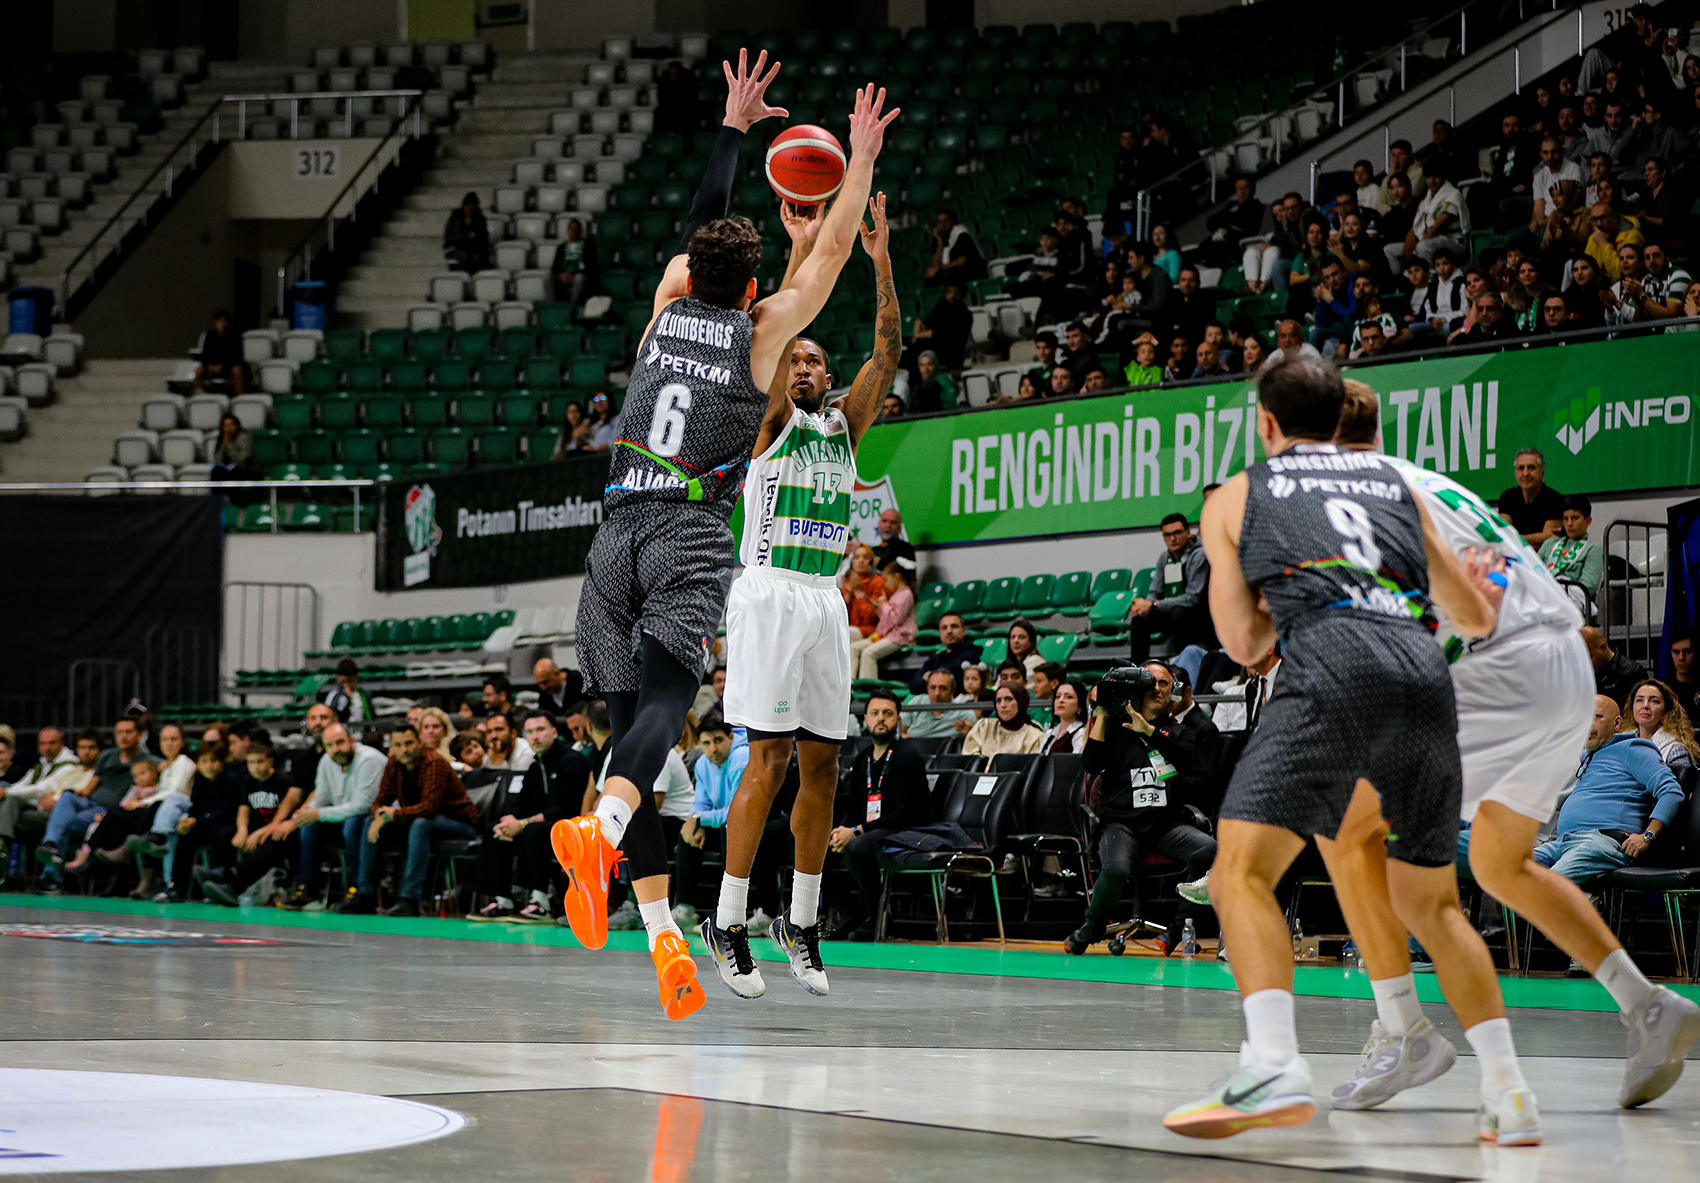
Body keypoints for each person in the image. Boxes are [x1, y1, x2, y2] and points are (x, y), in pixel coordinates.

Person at [550, 56, 896, 1021]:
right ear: (751, 289)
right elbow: (829, 261)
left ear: (689, 273)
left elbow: (703, 229)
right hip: (686, 532)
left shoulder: (662, 311)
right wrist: (858, 160)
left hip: (612, 534)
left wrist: (733, 130)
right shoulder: (758, 339)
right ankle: (601, 829)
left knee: (631, 732)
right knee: (667, 711)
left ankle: (663, 931)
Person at [1166, 358, 1526, 1142]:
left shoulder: (1237, 494)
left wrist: (1279, 610)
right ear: (1340, 421)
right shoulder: (1392, 482)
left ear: (1265, 422)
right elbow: (1474, 616)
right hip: (1424, 679)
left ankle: (1272, 1062)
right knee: (1434, 903)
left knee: (1238, 873)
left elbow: (1243, 642)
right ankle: (1510, 1091)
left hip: (1333, 668)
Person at [1328, 381, 1698, 1116]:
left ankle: (1403, 1030)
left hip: (1497, 670)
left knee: (1344, 826)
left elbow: (1444, 606)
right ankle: (1647, 1005)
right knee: (1501, 863)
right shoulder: (1439, 484)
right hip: (1563, 666)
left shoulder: (1359, 495)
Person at [711, 187, 902, 998]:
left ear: (828, 374)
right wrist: (797, 253)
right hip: (767, 594)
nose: (802, 366)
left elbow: (889, 348)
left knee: (823, 764)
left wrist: (880, 261)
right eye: (794, 359)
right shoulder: (769, 423)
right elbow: (779, 328)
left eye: (813, 360)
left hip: (824, 600)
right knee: (769, 758)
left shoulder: (843, 426)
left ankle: (802, 920)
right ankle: (726, 919)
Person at [1064, 665, 1217, 956]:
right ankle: (1091, 927)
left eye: (1164, 683)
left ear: (1172, 692)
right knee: (1116, 869)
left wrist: (1148, 731)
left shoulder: (1181, 732)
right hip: (1122, 825)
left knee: (1213, 851)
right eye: (1151, 682)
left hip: (1166, 826)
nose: (1157, 688)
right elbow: (1091, 764)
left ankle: (1178, 930)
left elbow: (1185, 760)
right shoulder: (1116, 729)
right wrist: (1101, 713)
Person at [1533, 696, 1685, 891]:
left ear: (1617, 723)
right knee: (1506, 869)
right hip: (1563, 842)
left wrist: (1647, 836)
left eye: (1596, 717)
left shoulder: (1633, 749)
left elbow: (1671, 792)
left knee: (1547, 887)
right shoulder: (1585, 756)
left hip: (1602, 842)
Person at [338, 724, 479, 917]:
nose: (404, 749)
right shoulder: (394, 762)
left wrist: (393, 814)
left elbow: (429, 807)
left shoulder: (434, 762)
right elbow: (381, 800)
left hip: (459, 824)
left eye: (409, 743)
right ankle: (366, 895)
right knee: (369, 822)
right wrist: (379, 815)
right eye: (398, 745)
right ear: (392, 747)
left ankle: (410, 899)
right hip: (419, 821)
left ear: (419, 742)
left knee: (421, 824)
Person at [828, 691, 932, 940]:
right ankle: (849, 911)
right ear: (865, 719)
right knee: (814, 846)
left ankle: (875, 915)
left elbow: (905, 812)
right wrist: (842, 830)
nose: (881, 719)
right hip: (871, 829)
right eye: (875, 713)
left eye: (887, 713)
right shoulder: (863, 758)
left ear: (898, 719)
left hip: (904, 829)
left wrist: (856, 831)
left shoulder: (907, 757)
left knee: (857, 846)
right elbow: (853, 805)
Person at [470, 712, 592, 923]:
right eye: (530, 732)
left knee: (532, 831)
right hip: (542, 826)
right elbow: (522, 801)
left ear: (554, 732)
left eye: (540, 730)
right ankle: (502, 901)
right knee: (494, 831)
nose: (535, 736)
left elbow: (568, 807)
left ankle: (540, 903)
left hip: (571, 827)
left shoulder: (572, 761)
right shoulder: (536, 765)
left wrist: (524, 822)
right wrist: (509, 820)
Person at [273, 723, 385, 911]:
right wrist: (306, 811)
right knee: (309, 824)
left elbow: (362, 805)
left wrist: (317, 813)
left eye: (340, 742)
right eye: (330, 745)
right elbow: (321, 797)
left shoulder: (369, 759)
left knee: (352, 824)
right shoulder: (327, 761)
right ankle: (307, 889)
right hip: (344, 819)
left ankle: (357, 890)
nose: (336, 749)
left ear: (351, 740)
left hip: (372, 821)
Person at [195, 736, 298, 906]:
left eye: (259, 762)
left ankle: (230, 878)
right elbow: (243, 810)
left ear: (270, 761)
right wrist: (242, 830)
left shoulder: (283, 781)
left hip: (277, 829)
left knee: (269, 841)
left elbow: (284, 814)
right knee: (226, 833)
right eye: (251, 763)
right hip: (256, 828)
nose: (255, 767)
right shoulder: (247, 781)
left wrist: (259, 833)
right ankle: (220, 881)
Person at [1129, 514, 1213, 671]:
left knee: (1179, 613)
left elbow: (1193, 598)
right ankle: (1138, 669)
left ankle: (1182, 668)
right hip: (1172, 610)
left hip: (1198, 614)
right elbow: (1155, 591)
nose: (1172, 539)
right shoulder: (1164, 558)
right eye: (1167, 535)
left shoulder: (1199, 555)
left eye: (1177, 533)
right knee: (1140, 619)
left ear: (1188, 533)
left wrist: (1153, 604)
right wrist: (1145, 607)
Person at [847, 559, 916, 681]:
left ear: (897, 577)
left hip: (899, 638)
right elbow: (887, 618)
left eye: (886, 580)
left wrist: (884, 605)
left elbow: (896, 620)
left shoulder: (906, 594)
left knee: (869, 653)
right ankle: (850, 682)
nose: (885, 584)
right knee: (853, 647)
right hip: (886, 635)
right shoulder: (896, 595)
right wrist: (878, 607)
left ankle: (868, 686)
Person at [1622, 679, 1699, 772]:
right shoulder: (1621, 743)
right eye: (1639, 700)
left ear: (1667, 710)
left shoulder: (1675, 750)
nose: (1645, 705)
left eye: (1654, 701)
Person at [1539, 495, 1604, 601]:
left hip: (1571, 599)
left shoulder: (1592, 550)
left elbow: (1588, 587)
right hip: (1543, 594)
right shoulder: (1549, 543)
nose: (1569, 524)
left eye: (1575, 518)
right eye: (1566, 519)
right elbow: (1534, 568)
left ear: (1588, 521)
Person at [1495, 448, 1565, 547]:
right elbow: (1504, 538)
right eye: (1521, 468)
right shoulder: (1507, 498)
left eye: (1531, 468)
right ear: (1515, 473)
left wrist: (1515, 539)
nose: (1525, 473)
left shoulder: (1555, 499)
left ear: (1542, 473)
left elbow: (1549, 541)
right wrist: (1538, 537)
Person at [908, 611, 982, 694]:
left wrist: (928, 676)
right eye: (944, 628)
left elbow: (945, 678)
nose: (949, 631)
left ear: (964, 631)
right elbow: (913, 686)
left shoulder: (970, 655)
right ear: (940, 632)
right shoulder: (936, 658)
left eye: (954, 626)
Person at [961, 684, 1045, 757]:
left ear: (1021, 702)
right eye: (998, 701)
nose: (1003, 705)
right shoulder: (984, 727)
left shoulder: (1034, 736)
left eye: (1008, 699)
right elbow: (970, 761)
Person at [1583, 625, 1649, 705]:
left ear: (1603, 648)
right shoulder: (1584, 673)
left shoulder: (1632, 672)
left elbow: (1632, 709)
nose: (1586, 663)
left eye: (1590, 657)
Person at [905, 669, 974, 739]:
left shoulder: (964, 714)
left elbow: (976, 738)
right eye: (933, 688)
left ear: (952, 691)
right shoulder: (917, 702)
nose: (937, 693)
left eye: (943, 688)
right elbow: (901, 732)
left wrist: (969, 734)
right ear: (928, 689)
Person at [924, 209, 984, 286]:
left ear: (952, 222)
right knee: (929, 281)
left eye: (945, 221)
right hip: (950, 271)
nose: (941, 225)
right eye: (939, 222)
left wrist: (941, 268)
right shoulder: (939, 237)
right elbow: (935, 264)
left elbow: (961, 261)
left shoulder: (962, 235)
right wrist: (939, 241)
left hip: (969, 271)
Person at [194, 310, 246, 395]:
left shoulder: (234, 336)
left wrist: (222, 365)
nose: (222, 324)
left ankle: (240, 396)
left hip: (228, 367)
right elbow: (205, 354)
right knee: (199, 370)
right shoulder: (210, 336)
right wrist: (210, 365)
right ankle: (199, 395)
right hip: (212, 367)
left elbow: (236, 356)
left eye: (224, 321)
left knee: (237, 370)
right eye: (219, 321)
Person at [841, 542, 885, 639]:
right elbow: (840, 615)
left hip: (870, 629)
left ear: (871, 561)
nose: (861, 561)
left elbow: (871, 618)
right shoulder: (848, 581)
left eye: (865, 557)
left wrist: (858, 593)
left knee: (845, 633)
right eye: (857, 557)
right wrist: (847, 597)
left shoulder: (878, 582)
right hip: (850, 626)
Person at [550, 217, 596, 305]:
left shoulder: (588, 247)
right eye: (571, 229)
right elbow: (555, 268)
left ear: (580, 231)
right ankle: (553, 306)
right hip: (563, 276)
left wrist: (573, 276)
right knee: (546, 278)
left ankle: (573, 306)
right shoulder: (561, 248)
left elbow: (591, 268)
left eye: (576, 229)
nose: (573, 231)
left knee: (579, 278)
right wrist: (561, 275)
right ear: (568, 231)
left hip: (578, 275)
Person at [443, 191, 490, 273]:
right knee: (463, 257)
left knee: (475, 258)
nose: (469, 211)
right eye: (468, 207)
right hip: (457, 248)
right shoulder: (455, 218)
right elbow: (449, 237)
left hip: (474, 249)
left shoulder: (480, 219)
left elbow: (484, 238)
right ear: (463, 206)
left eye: (472, 208)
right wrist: (466, 236)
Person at [1040, 679, 1087, 753]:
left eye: (1069, 697)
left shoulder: (1081, 733)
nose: (1061, 700)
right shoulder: (1049, 733)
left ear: (1080, 706)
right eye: (1058, 696)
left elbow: (1076, 759)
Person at [323, 659, 373, 728]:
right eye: (342, 682)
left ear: (356, 678)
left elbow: (370, 717)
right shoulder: (333, 696)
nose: (346, 685)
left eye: (349, 681)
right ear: (338, 679)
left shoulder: (363, 695)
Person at [209, 413, 254, 479]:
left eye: (231, 425)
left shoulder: (243, 437)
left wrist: (229, 446)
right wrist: (223, 445)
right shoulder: (222, 438)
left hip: (241, 468)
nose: (229, 428)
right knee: (216, 471)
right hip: (226, 469)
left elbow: (242, 459)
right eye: (226, 426)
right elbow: (217, 460)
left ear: (236, 426)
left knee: (235, 472)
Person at [1668, 631, 1700, 719]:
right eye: (1676, 652)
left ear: (1696, 652)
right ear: (1671, 653)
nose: (1681, 657)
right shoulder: (1665, 691)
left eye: (1687, 651)